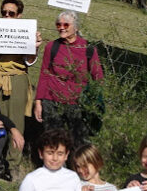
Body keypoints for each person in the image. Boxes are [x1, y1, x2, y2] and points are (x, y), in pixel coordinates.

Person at [0, 0, 42, 173]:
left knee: (15, 122)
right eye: (4, 12)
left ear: (19, 15)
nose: (6, 16)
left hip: (17, 78)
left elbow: (30, 62)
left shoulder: (27, 33)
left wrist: (34, 47)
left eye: (11, 13)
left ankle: (11, 166)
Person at [34, 10, 104, 149]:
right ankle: (56, 169)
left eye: (66, 25)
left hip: (77, 103)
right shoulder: (52, 47)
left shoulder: (88, 49)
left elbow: (98, 78)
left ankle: (78, 169)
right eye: (58, 24)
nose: (61, 27)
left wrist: (94, 104)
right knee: (53, 140)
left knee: (79, 142)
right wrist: (38, 102)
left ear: (76, 27)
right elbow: (44, 75)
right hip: (52, 101)